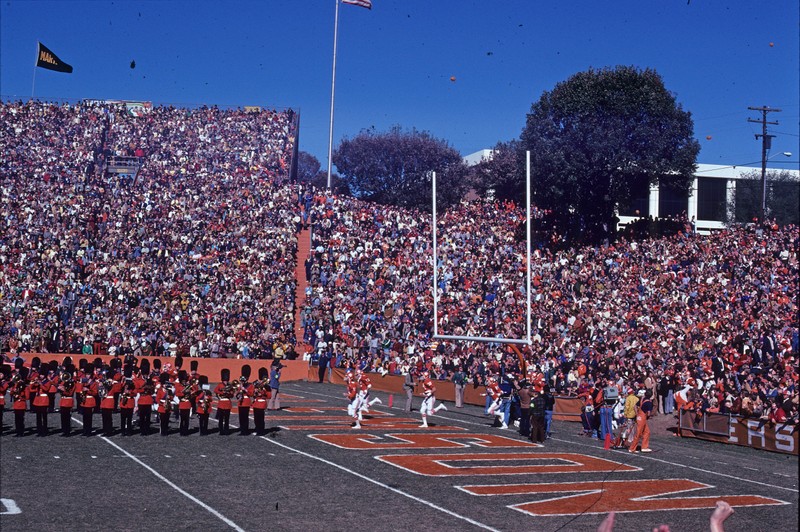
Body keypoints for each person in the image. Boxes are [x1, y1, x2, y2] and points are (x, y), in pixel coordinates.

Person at [214, 369, 233, 435]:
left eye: (226, 380)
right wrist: (222, 392)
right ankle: (221, 430)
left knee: (227, 419)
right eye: (225, 380)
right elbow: (215, 390)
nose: (225, 382)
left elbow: (232, 394)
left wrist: (228, 393)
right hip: (221, 403)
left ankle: (226, 430)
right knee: (221, 419)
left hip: (227, 403)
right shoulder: (220, 385)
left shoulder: (230, 386)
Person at [252, 368, 271, 435]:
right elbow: (252, 394)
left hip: (262, 403)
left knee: (261, 418)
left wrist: (263, 393)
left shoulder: (267, 386)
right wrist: (255, 392)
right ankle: (257, 429)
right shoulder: (256, 384)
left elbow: (269, 396)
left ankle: (261, 430)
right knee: (256, 418)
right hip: (256, 403)